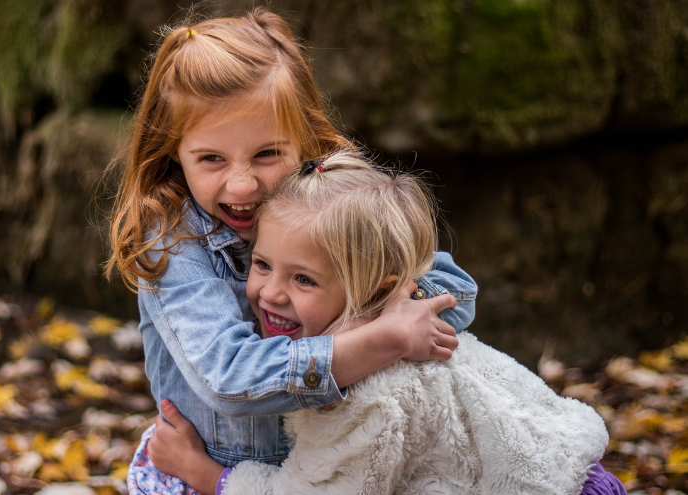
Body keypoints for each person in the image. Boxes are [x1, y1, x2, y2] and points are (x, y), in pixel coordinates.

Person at [105, 8, 477, 495]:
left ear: (304, 141)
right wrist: (382, 339)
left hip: (328, 471)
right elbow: (230, 378)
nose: (243, 184)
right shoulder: (173, 241)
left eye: (266, 154)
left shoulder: (330, 206)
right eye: (212, 159)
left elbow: (455, 293)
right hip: (215, 474)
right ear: (174, 150)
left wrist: (371, 309)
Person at [149, 152, 627, 495]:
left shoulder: (365, 390)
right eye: (262, 264)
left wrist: (205, 475)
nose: (271, 293)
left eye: (304, 280)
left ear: (377, 288)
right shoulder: (410, 319)